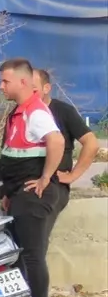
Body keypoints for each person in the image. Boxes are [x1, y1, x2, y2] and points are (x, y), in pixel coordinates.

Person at [0, 58, 64, 297]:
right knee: (20, 253)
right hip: (19, 194)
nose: (0, 86)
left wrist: (46, 177)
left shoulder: (35, 113)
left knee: (33, 255)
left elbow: (57, 141)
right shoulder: (20, 112)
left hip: (34, 195)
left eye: (5, 81)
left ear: (23, 82)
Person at [34, 68, 99, 220]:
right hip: (29, 177)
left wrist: (73, 175)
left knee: (39, 210)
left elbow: (91, 143)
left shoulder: (64, 111)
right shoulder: (22, 112)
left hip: (55, 181)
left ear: (46, 88)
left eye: (34, 89)